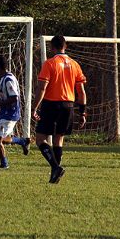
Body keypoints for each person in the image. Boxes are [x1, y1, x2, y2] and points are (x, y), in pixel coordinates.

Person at [32, 36, 87, 184]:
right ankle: (55, 173)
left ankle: (56, 167)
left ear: (52, 47)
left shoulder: (50, 63)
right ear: (66, 46)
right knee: (58, 139)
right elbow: (81, 92)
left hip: (51, 104)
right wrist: (82, 112)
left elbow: (42, 88)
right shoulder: (75, 65)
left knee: (40, 139)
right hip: (69, 105)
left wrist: (35, 107)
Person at [0, 56, 30, 169]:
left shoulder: (8, 79)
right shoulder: (3, 78)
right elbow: (6, 98)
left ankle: (4, 164)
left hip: (10, 114)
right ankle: (22, 141)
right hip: (5, 112)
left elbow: (14, 98)